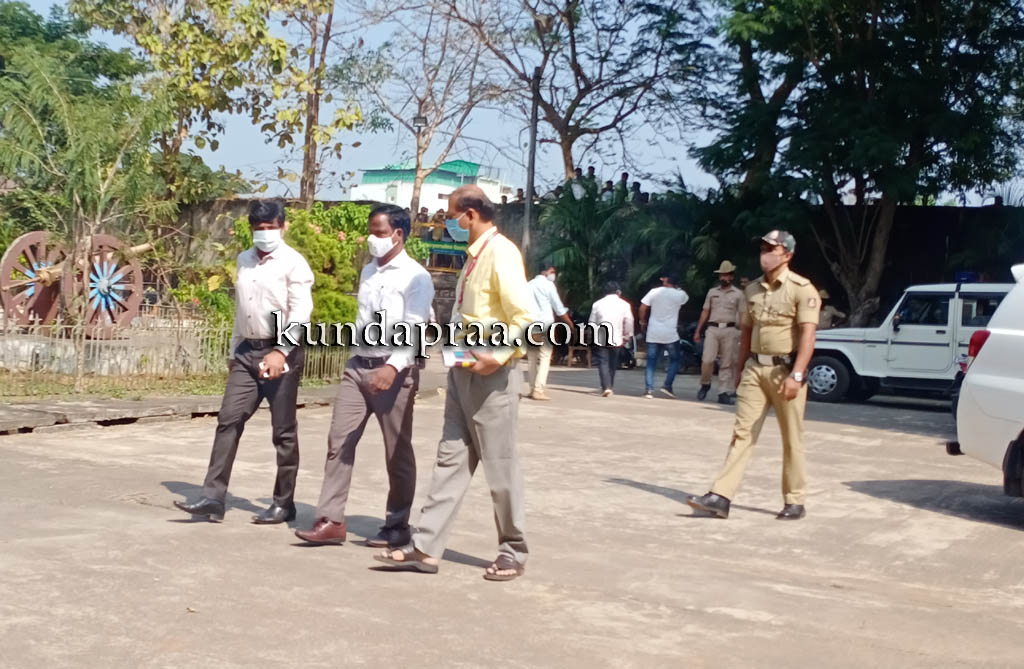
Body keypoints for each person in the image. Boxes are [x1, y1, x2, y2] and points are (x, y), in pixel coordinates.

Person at [374, 185, 535, 581]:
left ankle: (513, 550)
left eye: (451, 216)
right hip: (462, 370)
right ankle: (426, 547)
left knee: (500, 465)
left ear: (471, 214)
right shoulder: (474, 256)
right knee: (450, 460)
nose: (448, 223)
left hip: (491, 375)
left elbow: (525, 317)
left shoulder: (501, 253)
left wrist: (498, 356)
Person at [294, 204, 434, 548]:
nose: (373, 239)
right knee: (338, 442)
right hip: (358, 366)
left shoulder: (416, 277)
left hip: (394, 371)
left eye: (380, 232)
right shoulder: (369, 270)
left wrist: (393, 367)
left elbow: (416, 325)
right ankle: (331, 520)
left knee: (396, 451)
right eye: (371, 232)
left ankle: (397, 525)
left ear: (398, 234)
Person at [174, 200, 314, 523]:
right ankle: (213, 497)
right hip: (247, 352)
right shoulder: (244, 260)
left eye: (271, 227)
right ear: (251, 229)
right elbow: (243, 309)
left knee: (283, 431)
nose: (265, 233)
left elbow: (300, 312)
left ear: (283, 226)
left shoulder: (294, 263)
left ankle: (284, 502)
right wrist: (233, 352)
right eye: (259, 228)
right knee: (228, 419)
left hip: (281, 353)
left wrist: (281, 351)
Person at [687, 230, 819, 521]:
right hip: (755, 370)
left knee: (792, 437)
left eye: (771, 249)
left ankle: (794, 500)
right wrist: (740, 369)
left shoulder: (802, 289)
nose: (765, 255)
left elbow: (808, 336)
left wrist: (797, 375)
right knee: (742, 433)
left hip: (785, 371)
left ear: (787, 254)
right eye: (762, 249)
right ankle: (721, 496)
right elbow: (746, 332)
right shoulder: (752, 291)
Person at [694, 260, 744, 404]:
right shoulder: (712, 292)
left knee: (727, 362)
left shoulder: (738, 294)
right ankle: (705, 383)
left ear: (732, 276)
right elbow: (705, 311)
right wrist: (698, 330)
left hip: (730, 329)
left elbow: (742, 314)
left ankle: (723, 392)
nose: (724, 278)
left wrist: (742, 333)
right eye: (722, 275)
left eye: (727, 275)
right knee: (707, 359)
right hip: (713, 328)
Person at [525, 263, 574, 401]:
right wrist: (570, 323)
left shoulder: (528, 285)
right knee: (545, 357)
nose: (553, 275)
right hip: (545, 325)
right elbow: (558, 308)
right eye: (552, 272)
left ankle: (532, 388)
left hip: (530, 325)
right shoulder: (548, 285)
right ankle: (538, 389)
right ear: (544, 272)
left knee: (532, 358)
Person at [639, 273, 688, 398]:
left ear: (666, 280)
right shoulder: (680, 294)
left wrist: (642, 321)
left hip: (653, 331)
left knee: (651, 361)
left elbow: (643, 307)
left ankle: (649, 389)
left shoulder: (654, 292)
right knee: (675, 360)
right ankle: (667, 385)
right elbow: (683, 301)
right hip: (670, 333)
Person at [589, 281, 634, 397]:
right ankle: (609, 386)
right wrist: (627, 336)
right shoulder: (625, 305)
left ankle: (606, 387)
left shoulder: (597, 304)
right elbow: (629, 321)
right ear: (618, 292)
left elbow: (592, 322)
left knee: (603, 362)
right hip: (617, 338)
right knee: (612, 363)